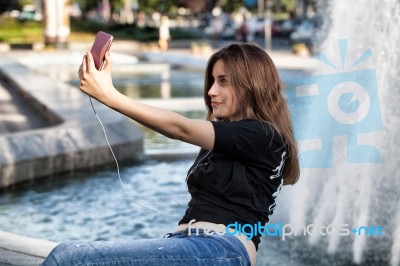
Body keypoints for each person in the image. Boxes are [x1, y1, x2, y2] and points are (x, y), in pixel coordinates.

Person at [41, 43, 299, 266]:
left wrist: (110, 96)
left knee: (69, 257)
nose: (211, 91)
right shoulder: (228, 137)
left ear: (251, 84)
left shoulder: (264, 135)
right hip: (193, 246)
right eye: (212, 81)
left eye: (223, 81)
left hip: (221, 250)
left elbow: (180, 128)